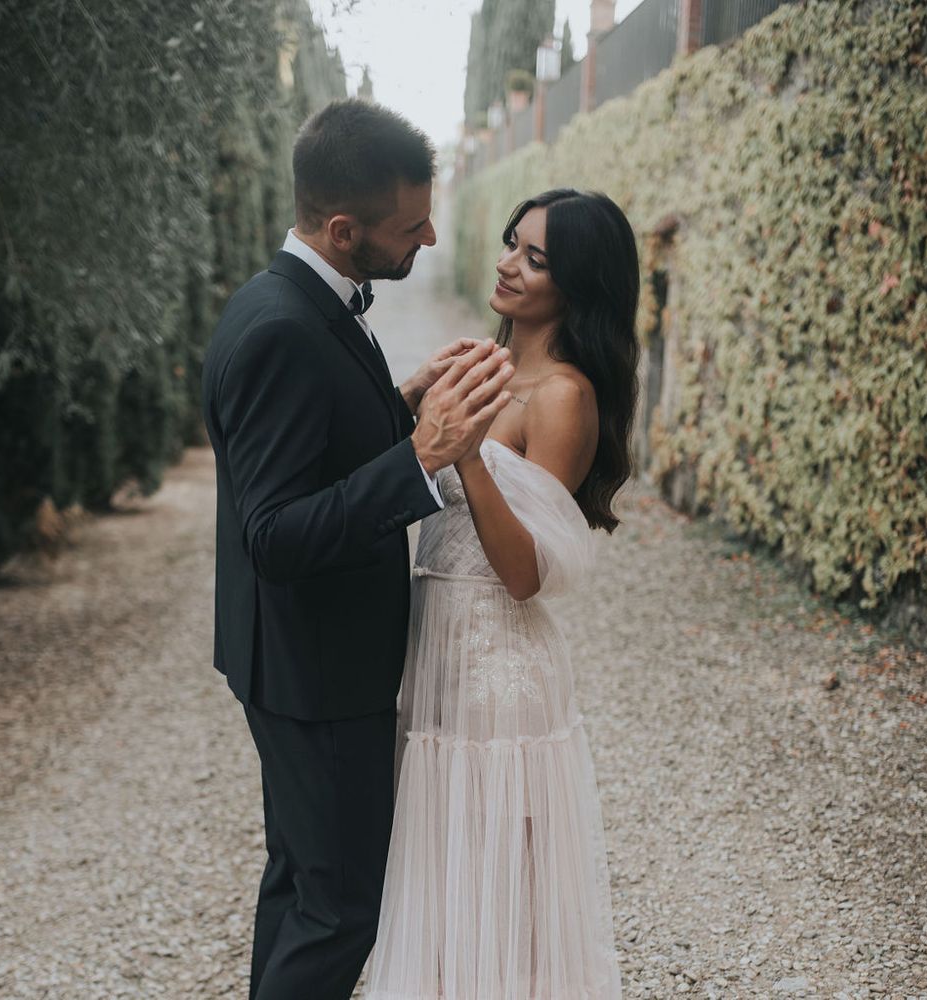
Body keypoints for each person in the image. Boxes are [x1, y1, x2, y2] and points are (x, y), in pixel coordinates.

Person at [201, 98, 515, 1000]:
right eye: (411, 227)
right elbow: (276, 535)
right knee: (340, 909)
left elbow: (319, 441)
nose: (425, 239)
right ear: (344, 230)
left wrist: (403, 397)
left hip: (305, 659)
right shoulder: (280, 332)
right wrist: (419, 455)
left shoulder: (302, 300)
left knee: (302, 886)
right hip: (317, 671)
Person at [363, 189, 640, 999]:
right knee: (438, 869)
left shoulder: (564, 396)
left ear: (577, 284)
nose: (509, 264)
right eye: (513, 244)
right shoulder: (482, 365)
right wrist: (414, 409)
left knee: (498, 887)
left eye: (536, 258)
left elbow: (525, 572)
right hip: (436, 642)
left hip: (499, 664)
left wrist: (471, 454)